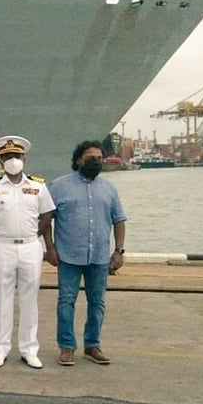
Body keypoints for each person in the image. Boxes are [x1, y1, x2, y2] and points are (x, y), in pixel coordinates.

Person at [43, 140, 126, 367]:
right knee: (66, 301)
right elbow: (46, 219)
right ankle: (67, 347)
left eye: (100, 158)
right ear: (79, 159)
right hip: (68, 255)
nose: (96, 162)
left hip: (99, 256)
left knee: (97, 303)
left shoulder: (108, 188)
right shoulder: (58, 186)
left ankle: (92, 345)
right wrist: (49, 248)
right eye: (91, 158)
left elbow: (119, 220)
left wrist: (118, 251)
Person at [0, 136, 55, 369]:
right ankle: (0, 348)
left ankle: (29, 349)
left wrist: (38, 235)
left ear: (24, 158)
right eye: (7, 157)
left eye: (16, 156)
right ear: (1, 160)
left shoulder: (38, 185)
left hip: (30, 246)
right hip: (2, 246)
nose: (12, 160)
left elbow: (47, 215)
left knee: (29, 298)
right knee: (1, 298)